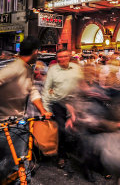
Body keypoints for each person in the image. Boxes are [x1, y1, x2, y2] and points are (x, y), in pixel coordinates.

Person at [0, 37, 52, 181]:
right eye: (39, 52)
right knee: (13, 163)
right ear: (35, 52)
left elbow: (32, 90)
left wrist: (42, 110)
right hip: (4, 124)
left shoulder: (27, 69)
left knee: (20, 163)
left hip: (18, 123)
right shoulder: (15, 68)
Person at [42, 49, 83, 170]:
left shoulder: (76, 68)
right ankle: (61, 155)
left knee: (79, 127)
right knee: (61, 128)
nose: (62, 59)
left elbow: (82, 85)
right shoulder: (53, 70)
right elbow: (47, 89)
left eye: (64, 56)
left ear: (69, 57)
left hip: (74, 103)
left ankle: (78, 154)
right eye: (59, 57)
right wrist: (45, 109)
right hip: (58, 103)